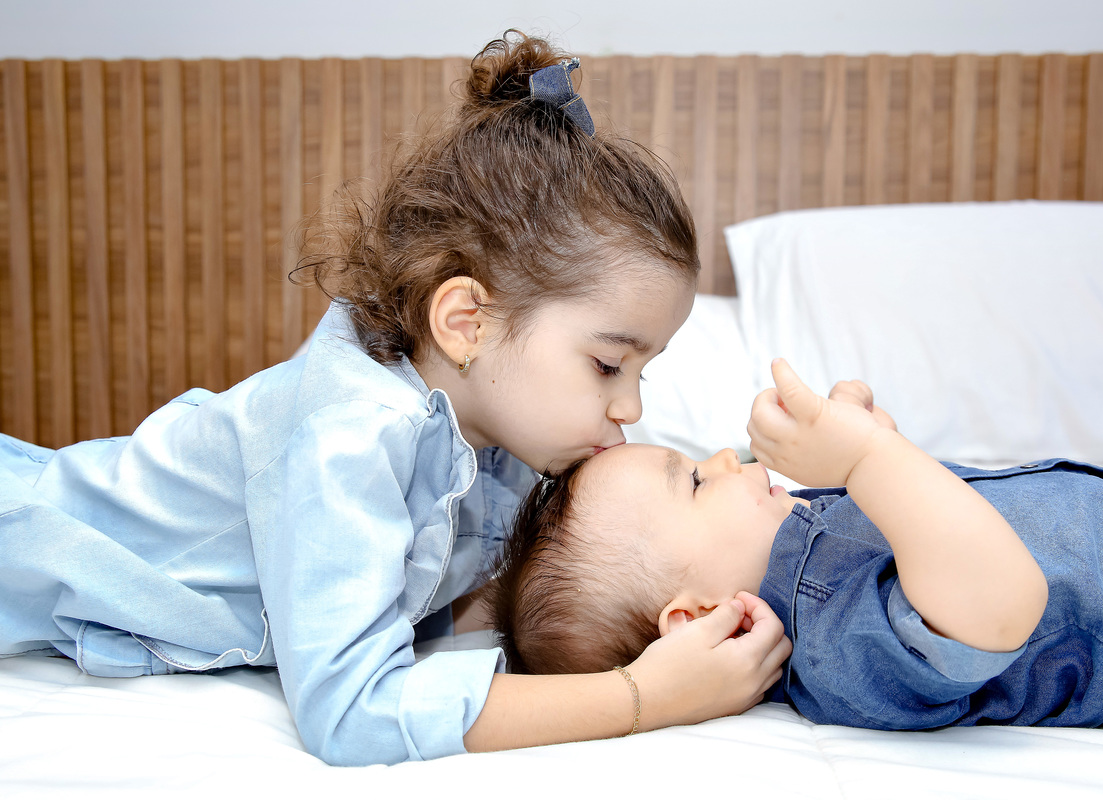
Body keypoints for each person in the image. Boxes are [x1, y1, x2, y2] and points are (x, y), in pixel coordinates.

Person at [0, 31, 790, 766]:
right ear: (467, 322)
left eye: (641, 374)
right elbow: (351, 712)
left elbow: (499, 596)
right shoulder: (354, 435)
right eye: (609, 364)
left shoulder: (493, 441)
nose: (629, 410)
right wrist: (642, 696)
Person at [488, 357, 1103, 732]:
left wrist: (881, 451)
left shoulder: (809, 533)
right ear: (696, 615)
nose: (726, 458)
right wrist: (868, 460)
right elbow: (1001, 603)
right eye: (697, 482)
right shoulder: (837, 646)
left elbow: (945, 523)